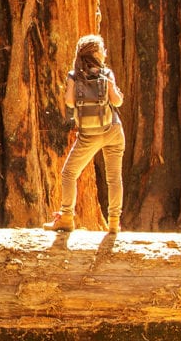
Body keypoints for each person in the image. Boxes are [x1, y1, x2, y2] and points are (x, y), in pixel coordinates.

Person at [44, 33, 125, 233]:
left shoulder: (74, 76)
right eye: (102, 49)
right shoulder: (106, 74)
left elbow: (70, 102)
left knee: (69, 173)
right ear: (96, 53)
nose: (105, 53)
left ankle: (66, 217)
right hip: (113, 129)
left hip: (89, 135)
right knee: (113, 177)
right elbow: (116, 101)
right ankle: (114, 222)